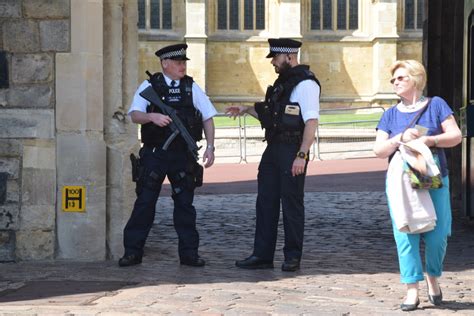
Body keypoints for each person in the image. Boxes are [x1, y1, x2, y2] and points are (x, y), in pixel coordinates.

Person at [373, 60, 462, 311]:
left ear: (416, 79)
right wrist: (399, 138)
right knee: (405, 235)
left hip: (432, 179)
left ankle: (432, 277)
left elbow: (455, 136)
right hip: (400, 183)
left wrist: (429, 140)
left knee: (438, 235)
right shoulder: (389, 114)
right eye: (393, 80)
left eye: (400, 78)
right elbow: (378, 150)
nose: (395, 83)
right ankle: (412, 289)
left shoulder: (436, 105)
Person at [226, 38, 321, 272]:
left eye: (276, 58)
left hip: (292, 150)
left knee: (291, 203)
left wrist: (302, 155)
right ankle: (262, 254)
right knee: (266, 202)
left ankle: (292, 256)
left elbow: (311, 122)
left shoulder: (306, 84)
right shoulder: (283, 83)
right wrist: (247, 109)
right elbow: (274, 117)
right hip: (274, 149)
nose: (273, 63)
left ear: (289, 56)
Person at [119, 43, 217, 267]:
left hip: (182, 155)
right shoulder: (149, 86)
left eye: (184, 63)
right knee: (145, 203)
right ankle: (132, 252)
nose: (183, 66)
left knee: (185, 205)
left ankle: (189, 254)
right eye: (178, 62)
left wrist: (210, 147)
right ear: (165, 64)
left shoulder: (191, 87)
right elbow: (134, 115)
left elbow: (208, 117)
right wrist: (152, 118)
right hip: (155, 154)